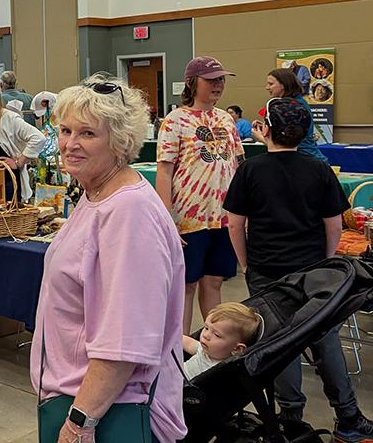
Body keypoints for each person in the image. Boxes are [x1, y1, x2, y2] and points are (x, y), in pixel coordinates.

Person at [31, 76, 186, 443]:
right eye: (66, 130)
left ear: (119, 141)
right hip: (82, 396)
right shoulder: (97, 192)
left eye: (87, 133)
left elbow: (125, 340)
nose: (70, 144)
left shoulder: (128, 212)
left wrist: (80, 423)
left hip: (107, 410)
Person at [224, 97, 373, 438]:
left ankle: (291, 420)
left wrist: (246, 263)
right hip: (313, 271)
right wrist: (325, 262)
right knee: (326, 338)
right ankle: (348, 417)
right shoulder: (318, 169)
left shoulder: (250, 169)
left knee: (280, 344)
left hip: (267, 269)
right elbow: (333, 224)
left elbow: (235, 224)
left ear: (268, 130)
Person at [156, 56, 243, 335]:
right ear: (193, 83)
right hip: (188, 218)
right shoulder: (174, 121)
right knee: (186, 284)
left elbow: (237, 165)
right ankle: (178, 352)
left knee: (214, 281)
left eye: (221, 80)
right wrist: (166, 217)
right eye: (212, 80)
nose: (218, 85)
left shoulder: (226, 119)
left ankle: (213, 347)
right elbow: (164, 172)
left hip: (223, 218)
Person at [258, 68, 328, 162]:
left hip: (305, 160)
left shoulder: (294, 106)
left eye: (271, 84)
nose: (267, 87)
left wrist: (261, 138)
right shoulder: (298, 104)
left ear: (284, 85)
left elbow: (287, 144)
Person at [182, 302, 261, 379]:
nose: (205, 335)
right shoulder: (204, 350)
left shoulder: (221, 372)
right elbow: (186, 342)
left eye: (216, 335)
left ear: (237, 349)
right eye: (206, 328)